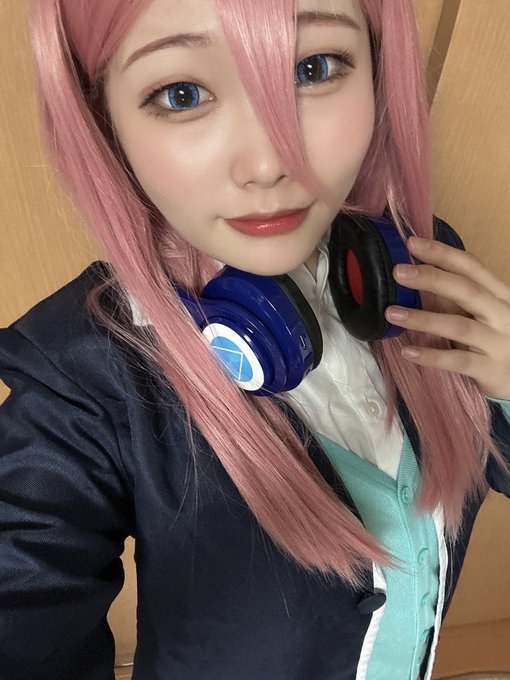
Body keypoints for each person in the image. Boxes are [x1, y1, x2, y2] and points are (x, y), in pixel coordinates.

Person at [1, 0, 509, 678]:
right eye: (181, 94)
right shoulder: (82, 376)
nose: (269, 162)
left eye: (314, 67)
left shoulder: (414, 267)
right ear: (104, 120)